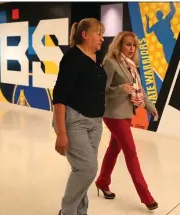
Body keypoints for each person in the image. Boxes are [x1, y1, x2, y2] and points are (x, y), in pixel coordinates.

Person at [95, 31, 159, 210]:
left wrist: (150, 107)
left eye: (134, 45)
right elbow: (102, 90)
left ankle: (102, 181)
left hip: (125, 114)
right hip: (113, 114)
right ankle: (146, 197)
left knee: (113, 150)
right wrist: (121, 89)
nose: (131, 48)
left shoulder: (131, 65)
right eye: (128, 44)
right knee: (131, 152)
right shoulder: (110, 63)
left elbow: (139, 89)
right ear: (119, 45)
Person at [52, 18, 106, 215]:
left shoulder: (96, 58)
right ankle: (67, 212)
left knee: (85, 171)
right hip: (74, 120)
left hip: (95, 122)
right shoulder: (72, 57)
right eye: (98, 34)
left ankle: (80, 212)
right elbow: (59, 96)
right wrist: (61, 133)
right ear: (85, 35)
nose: (102, 38)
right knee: (87, 169)